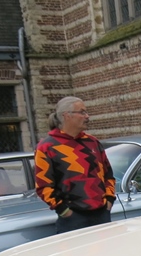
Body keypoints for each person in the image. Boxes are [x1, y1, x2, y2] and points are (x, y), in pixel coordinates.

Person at [35, 97, 116, 234]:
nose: (87, 116)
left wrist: (108, 200)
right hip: (73, 220)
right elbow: (43, 186)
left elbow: (108, 175)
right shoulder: (47, 147)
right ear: (67, 115)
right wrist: (64, 211)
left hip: (101, 215)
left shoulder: (93, 142)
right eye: (82, 112)